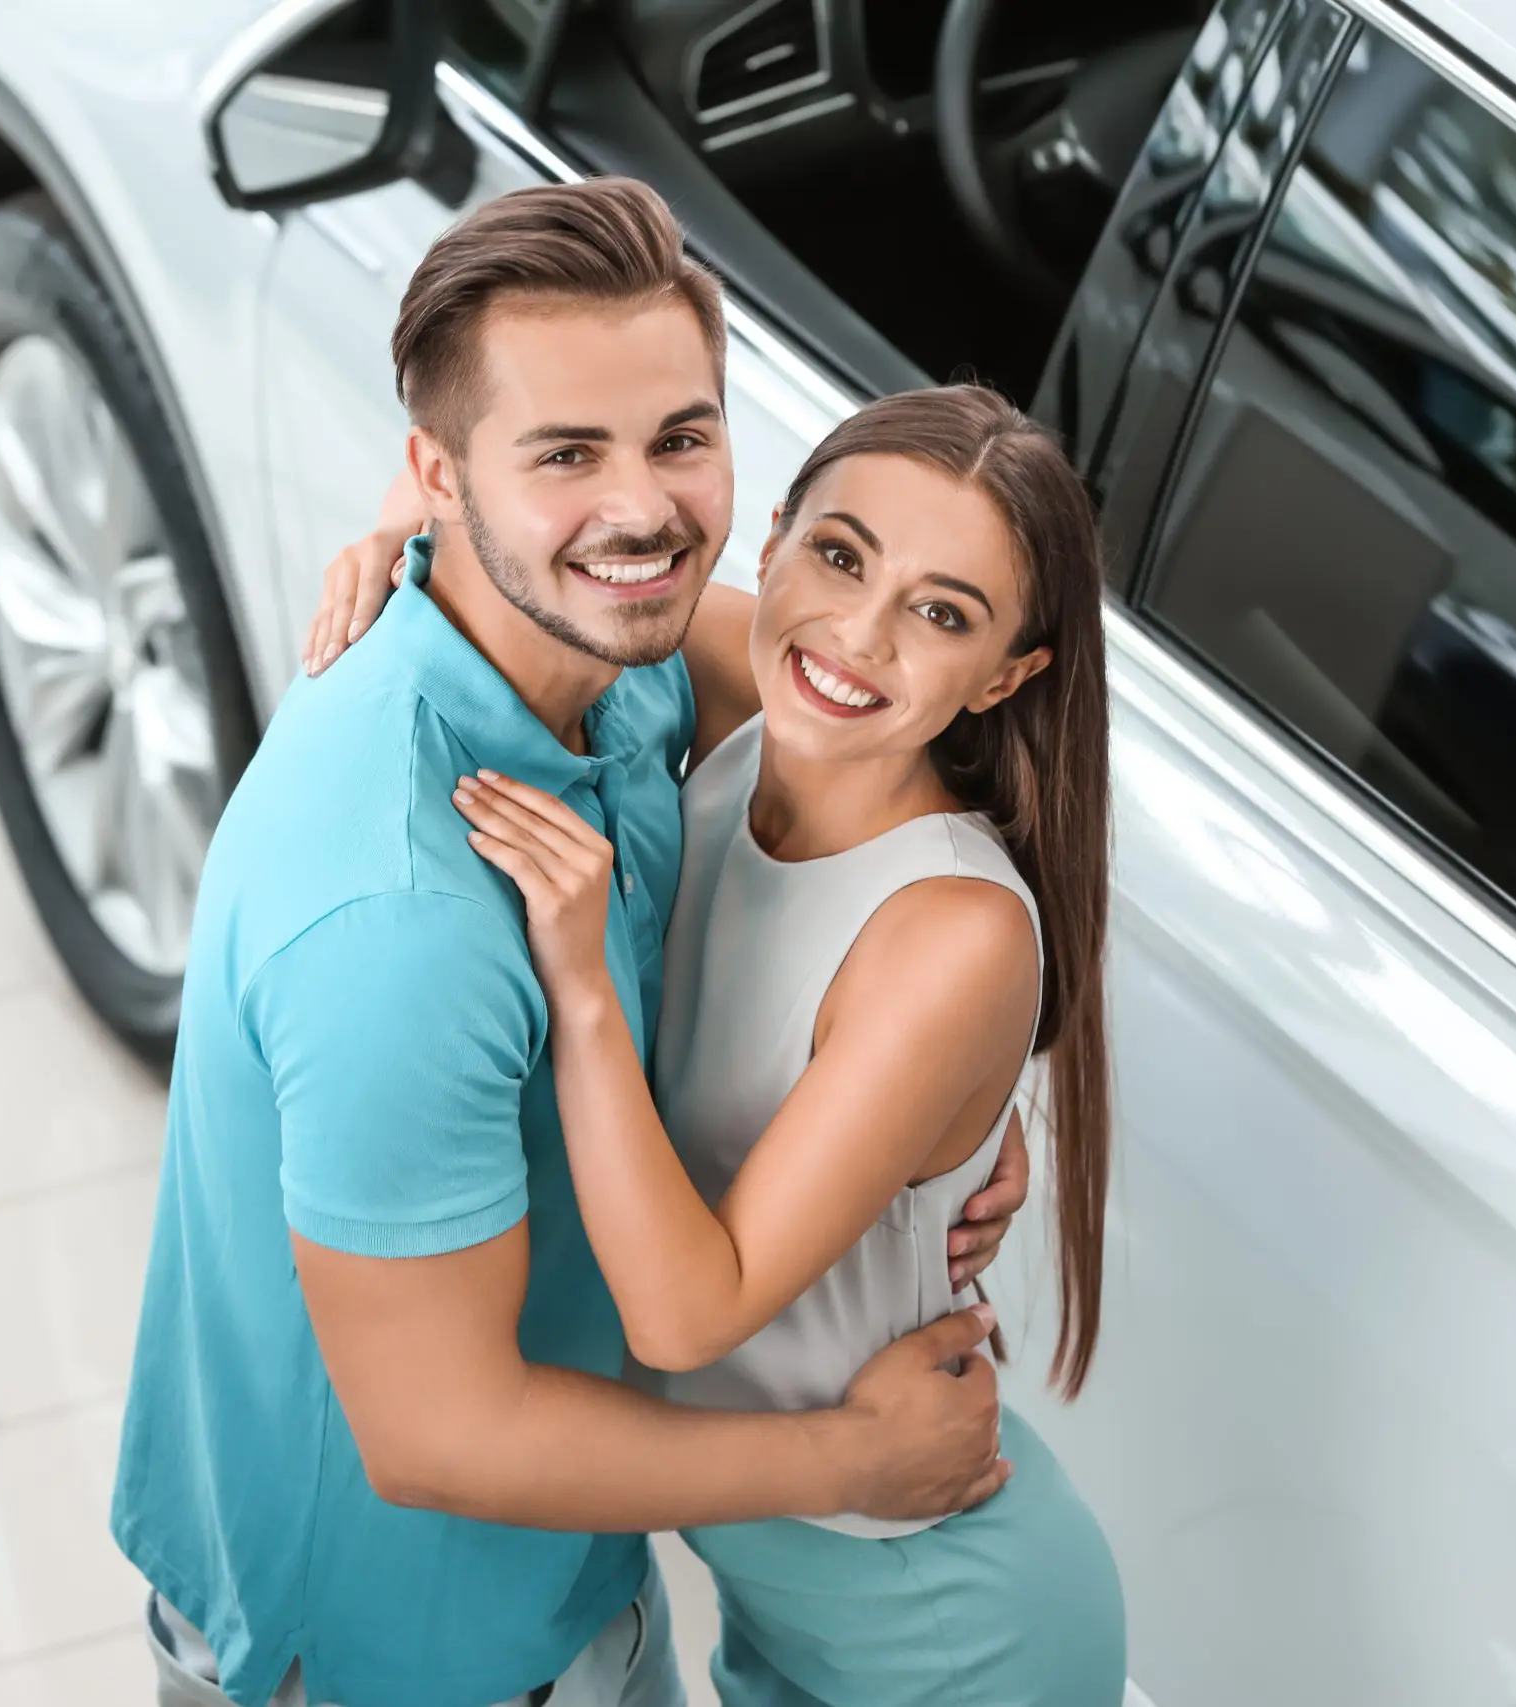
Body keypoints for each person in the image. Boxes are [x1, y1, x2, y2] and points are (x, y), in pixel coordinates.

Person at [110, 179, 1034, 1707]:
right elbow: (440, 1437)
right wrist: (857, 1455)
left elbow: (878, 713)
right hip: (396, 1661)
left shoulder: (621, 667)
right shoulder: (402, 920)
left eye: (680, 436)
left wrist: (958, 1118)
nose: (645, 509)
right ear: (443, 465)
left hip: (565, 1603)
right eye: (564, 454)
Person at [308, 384, 1128, 1702]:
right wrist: (396, 534)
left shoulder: (954, 937)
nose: (858, 635)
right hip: (776, 1582)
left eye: (942, 612)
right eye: (842, 554)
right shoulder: (756, 689)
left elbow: (688, 1311)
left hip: (937, 1624)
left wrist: (581, 986)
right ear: (776, 535)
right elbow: (525, 547)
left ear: (1009, 674)